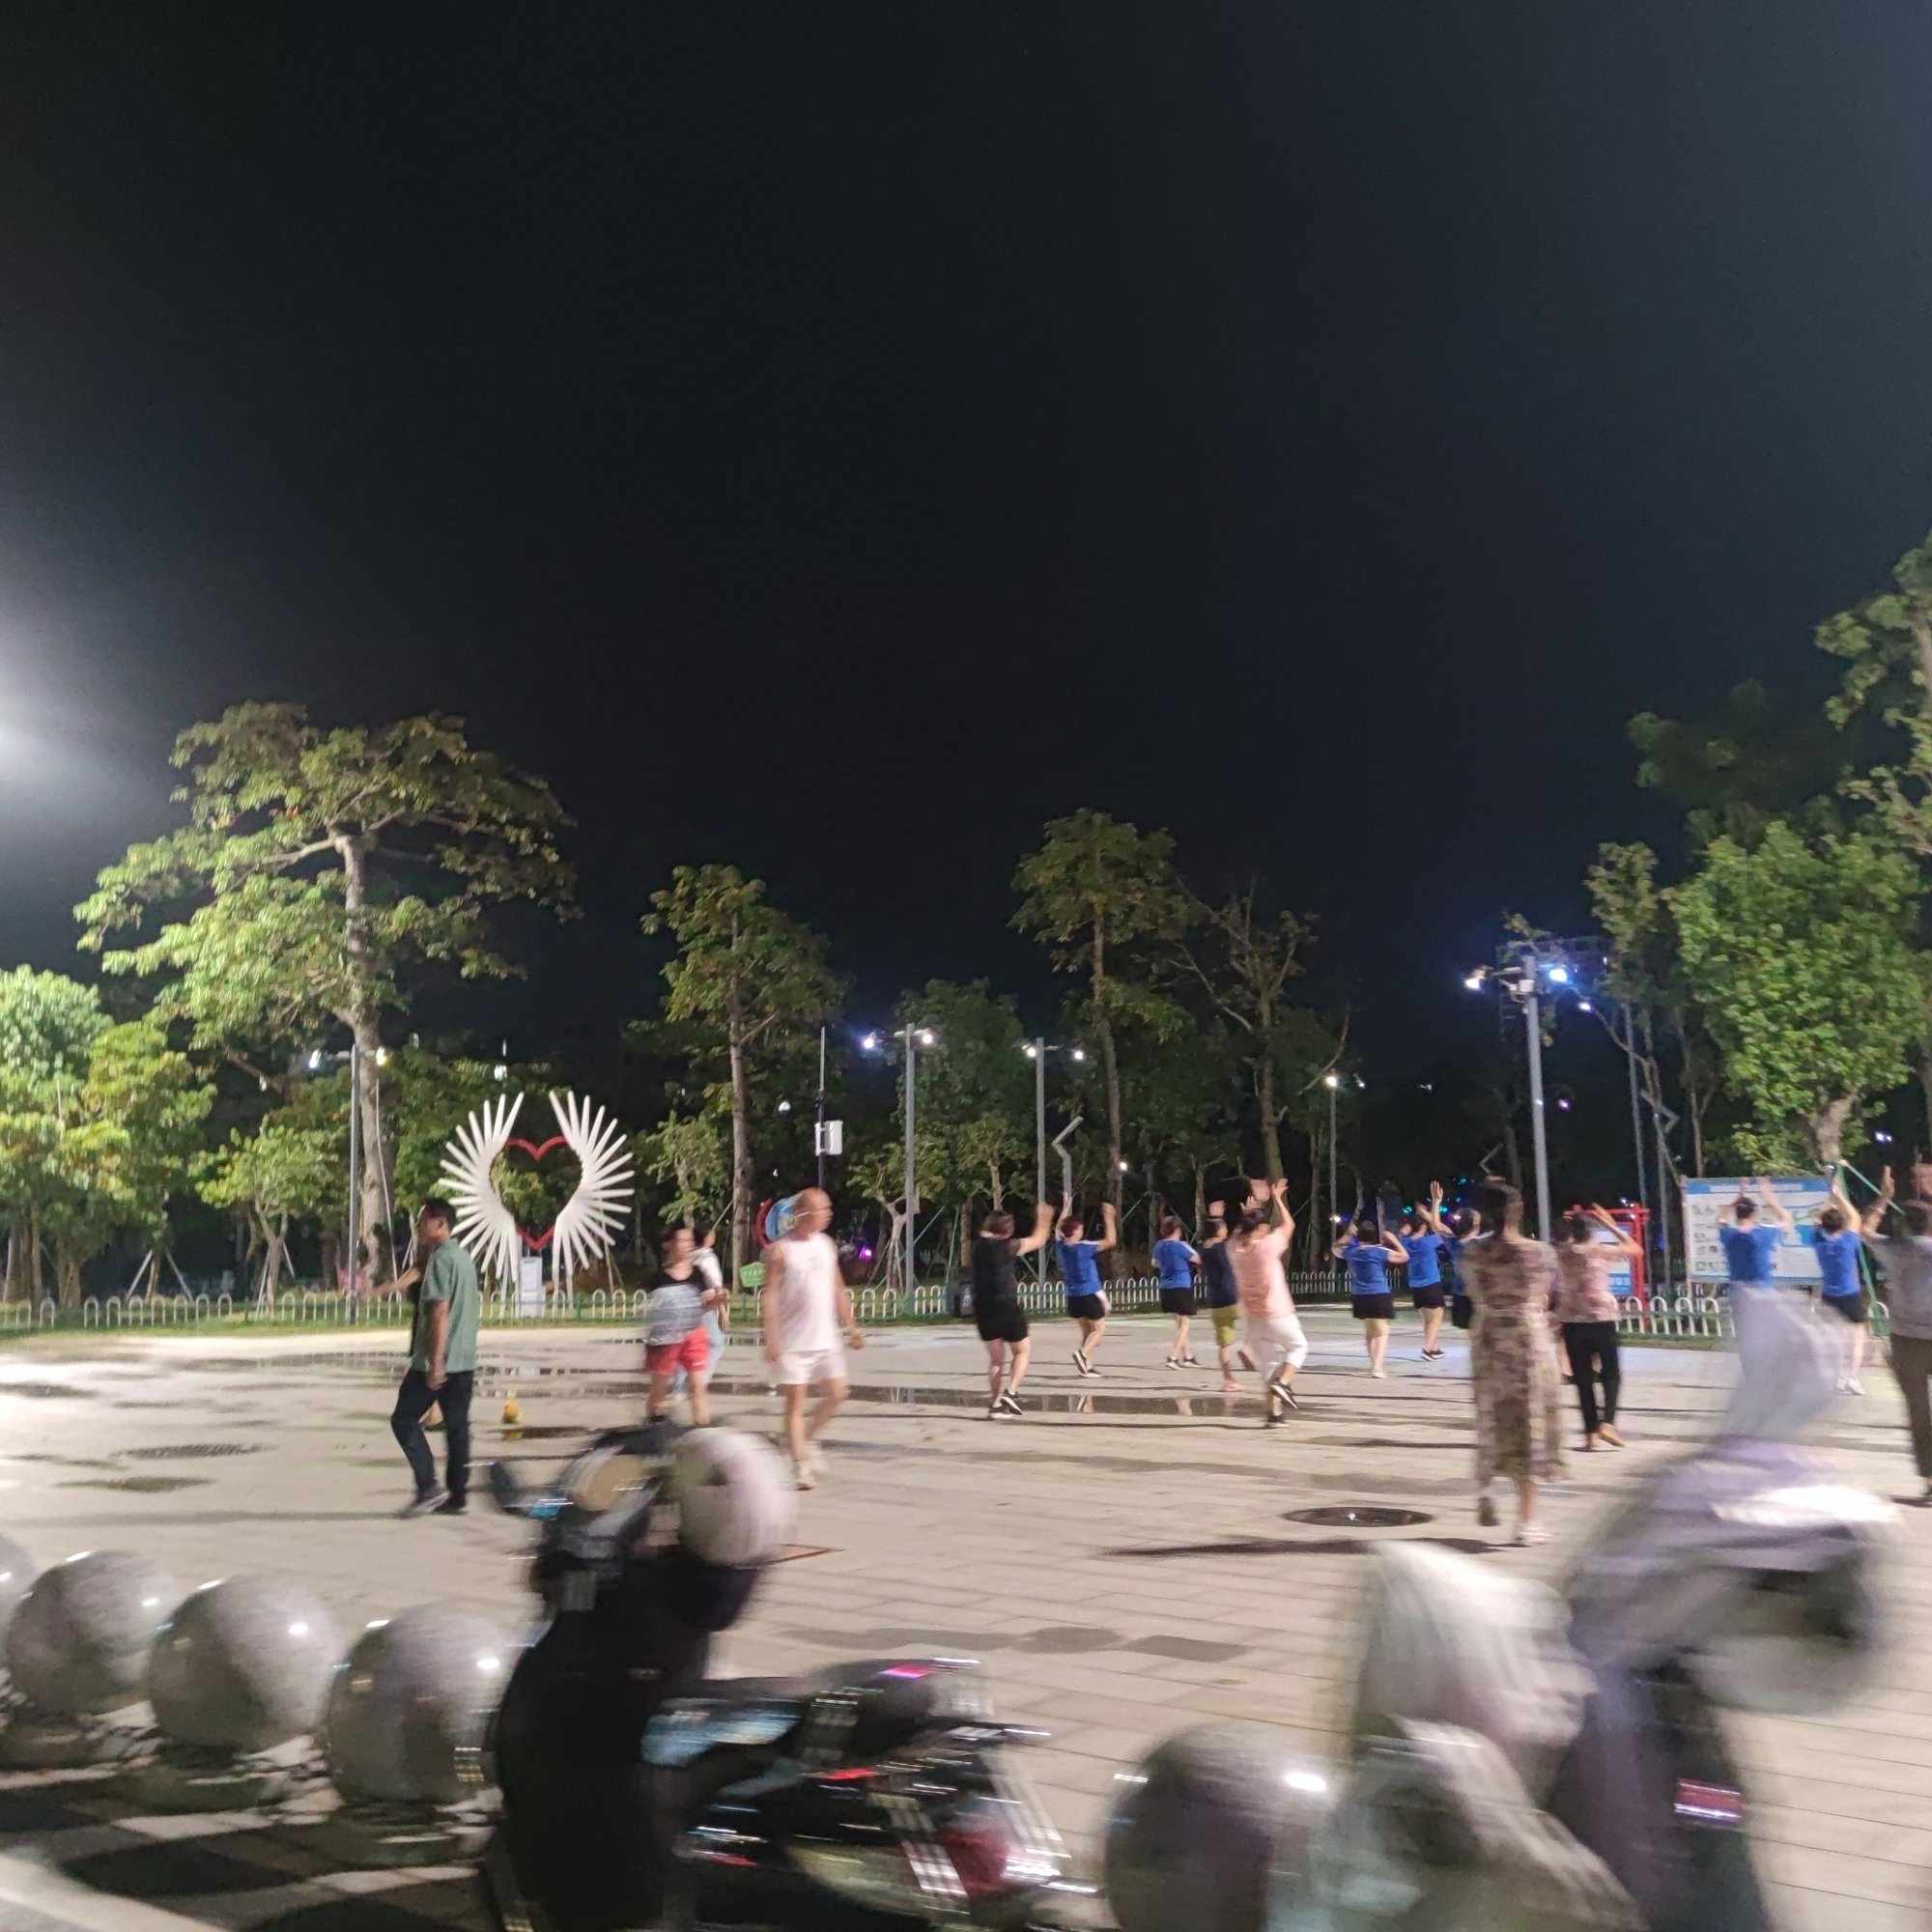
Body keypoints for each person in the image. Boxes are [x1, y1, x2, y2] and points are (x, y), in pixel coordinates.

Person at [1462, 1179, 1566, 1544]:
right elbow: (1553, 1297)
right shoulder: (1539, 1253)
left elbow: (1472, 1293)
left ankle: (1487, 1488)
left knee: (1490, 1416)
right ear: (1517, 1211)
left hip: (1488, 1337)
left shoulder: (1472, 1253)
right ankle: (1526, 1522)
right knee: (1529, 1423)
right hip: (1527, 1340)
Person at [760, 1186, 863, 1490]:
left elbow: (837, 1287)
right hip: (793, 1341)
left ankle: (800, 1441)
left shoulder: (826, 1245)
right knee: (796, 1402)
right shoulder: (781, 1250)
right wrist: (771, 1337)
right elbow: (770, 1295)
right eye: (822, 1209)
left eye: (828, 1208)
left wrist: (850, 1326)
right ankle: (799, 1464)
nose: (828, 1214)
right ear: (804, 1212)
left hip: (825, 1338)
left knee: (838, 1394)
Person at [389, 1199, 480, 1518]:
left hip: (437, 1361)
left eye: (423, 1221)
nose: (418, 1227)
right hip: (464, 1360)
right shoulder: (464, 1259)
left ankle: (428, 1486)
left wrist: (435, 1363)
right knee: (457, 1429)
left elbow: (440, 1312)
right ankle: (458, 1495)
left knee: (403, 1420)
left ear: (440, 1224)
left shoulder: (441, 1260)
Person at [1857, 1169, 1932, 1497]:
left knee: (1918, 1411)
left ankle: (1930, 1479)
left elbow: (1863, 1230)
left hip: (1905, 1341)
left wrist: (1883, 1198)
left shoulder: (1892, 1249)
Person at [1551, 1204, 1638, 1451]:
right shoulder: (1600, 1251)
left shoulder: (1562, 1253)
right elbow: (1635, 1249)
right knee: (1611, 1373)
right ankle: (1608, 1423)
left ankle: (1590, 1434)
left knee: (1583, 1379)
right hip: (1602, 1318)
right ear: (1592, 1232)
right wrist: (1609, 1224)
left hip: (1572, 1320)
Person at [1225, 1177, 1306, 1426]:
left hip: (1253, 1318)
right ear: (1259, 1230)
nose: (1268, 1230)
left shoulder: (1235, 1249)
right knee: (1299, 1347)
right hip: (1277, 1313)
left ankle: (1274, 1414)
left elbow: (1238, 1233)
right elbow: (1289, 1225)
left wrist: (1249, 1213)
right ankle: (1284, 1383)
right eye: (1265, 1227)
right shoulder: (1266, 1248)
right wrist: (1278, 1200)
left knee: (1269, 1364)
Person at [972, 1203, 1054, 1417]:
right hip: (1006, 1303)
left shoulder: (979, 1246)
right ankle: (1011, 1391)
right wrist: (1044, 1219)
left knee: (996, 1360)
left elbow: (986, 1233)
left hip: (983, 1306)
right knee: (1022, 1350)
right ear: (1007, 1230)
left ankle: (995, 1405)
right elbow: (1039, 1239)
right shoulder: (1009, 1246)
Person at [644, 1226, 724, 1426]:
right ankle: (653, 1424)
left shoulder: (698, 1274)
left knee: (698, 1386)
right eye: (682, 1241)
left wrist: (716, 1302)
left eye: (690, 1241)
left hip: (694, 1335)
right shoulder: (658, 1278)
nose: (687, 1245)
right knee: (659, 1390)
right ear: (670, 1245)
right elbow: (654, 1312)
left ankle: (702, 1427)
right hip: (665, 1340)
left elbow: (701, 1306)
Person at [1334, 1212, 1407, 1378]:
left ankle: (1373, 1363)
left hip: (1359, 1294)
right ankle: (1377, 1367)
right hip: (1379, 1293)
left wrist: (1347, 1236)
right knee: (1382, 1331)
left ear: (1358, 1235)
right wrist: (1394, 1240)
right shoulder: (1378, 1251)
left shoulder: (1351, 1252)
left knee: (1370, 1331)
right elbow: (1404, 1257)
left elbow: (1334, 1249)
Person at [1817, 1181, 1869, 1394]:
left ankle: (1837, 1378)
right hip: (1849, 1293)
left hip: (1828, 1294)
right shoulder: (1847, 1241)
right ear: (1842, 1225)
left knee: (1835, 1338)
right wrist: (1839, 1196)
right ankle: (1852, 1378)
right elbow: (1856, 1218)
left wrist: (1828, 1198)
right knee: (1857, 1336)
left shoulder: (1819, 1242)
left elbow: (1817, 1223)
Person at [1058, 1202, 1118, 1376]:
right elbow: (1111, 1241)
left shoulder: (1062, 1247)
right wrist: (1109, 1218)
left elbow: (1059, 1230)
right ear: (1075, 1231)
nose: (1082, 1231)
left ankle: (1087, 1366)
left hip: (1072, 1296)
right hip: (1088, 1294)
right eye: (1080, 1228)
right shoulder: (1084, 1247)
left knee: (1086, 1331)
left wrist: (1066, 1207)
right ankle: (1082, 1353)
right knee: (1099, 1330)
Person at [1199, 1203, 1253, 1393]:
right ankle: (1247, 1348)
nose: (1226, 1229)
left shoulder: (1203, 1249)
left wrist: (1215, 1218)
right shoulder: (1223, 1248)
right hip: (1232, 1296)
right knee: (1258, 1320)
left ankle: (1228, 1380)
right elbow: (1238, 1235)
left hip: (1215, 1302)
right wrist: (1246, 1216)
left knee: (1224, 1345)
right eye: (1223, 1227)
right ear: (1219, 1231)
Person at [1404, 1181, 1452, 1360]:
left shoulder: (1405, 1242)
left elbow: (1402, 1232)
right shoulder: (1427, 1242)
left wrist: (1416, 1218)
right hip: (1430, 1283)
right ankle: (1426, 1349)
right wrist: (1429, 1211)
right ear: (1424, 1227)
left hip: (1415, 1285)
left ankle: (1433, 1347)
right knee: (1437, 1316)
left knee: (1428, 1318)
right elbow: (1444, 1230)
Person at [1719, 1181, 1794, 1290]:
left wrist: (1737, 1199)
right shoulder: (1764, 1233)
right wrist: (1770, 1198)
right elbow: (1787, 1220)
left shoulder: (1729, 1235)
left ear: (1736, 1214)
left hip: (1738, 1291)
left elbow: (1721, 1219)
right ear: (1753, 1214)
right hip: (1762, 1290)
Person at [1152, 1213, 1202, 1368]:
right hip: (1181, 1285)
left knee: (1179, 1323)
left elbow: (1155, 1263)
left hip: (1165, 1286)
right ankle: (1173, 1357)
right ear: (1178, 1230)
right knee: (1184, 1324)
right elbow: (1197, 1258)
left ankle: (1188, 1356)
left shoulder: (1159, 1245)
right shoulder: (1181, 1245)